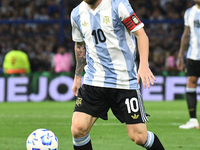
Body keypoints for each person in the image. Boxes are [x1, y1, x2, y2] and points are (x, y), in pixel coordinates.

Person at [70, 0, 165, 150]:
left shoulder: (118, 5)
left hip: (123, 82)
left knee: (139, 137)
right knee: (78, 129)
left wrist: (144, 65)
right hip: (94, 81)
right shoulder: (76, 13)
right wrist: (77, 76)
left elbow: (141, 35)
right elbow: (80, 45)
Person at [177, 0, 200, 129]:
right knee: (191, 82)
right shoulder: (189, 12)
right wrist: (181, 55)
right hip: (193, 55)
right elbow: (186, 34)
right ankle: (193, 120)